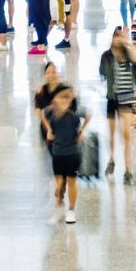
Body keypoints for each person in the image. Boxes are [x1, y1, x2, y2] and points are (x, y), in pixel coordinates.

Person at [100, 27, 136, 183]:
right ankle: (111, 159)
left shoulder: (129, 54)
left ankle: (128, 171)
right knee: (112, 133)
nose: (118, 39)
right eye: (116, 36)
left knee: (127, 135)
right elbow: (103, 72)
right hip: (112, 98)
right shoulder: (106, 56)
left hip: (127, 98)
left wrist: (128, 45)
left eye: (121, 36)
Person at [42, 84, 87, 224]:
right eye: (60, 98)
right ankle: (59, 207)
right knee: (59, 184)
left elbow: (89, 114)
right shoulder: (51, 112)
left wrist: (82, 131)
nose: (62, 101)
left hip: (73, 153)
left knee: (72, 181)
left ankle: (71, 210)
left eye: (66, 98)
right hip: (57, 153)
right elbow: (42, 115)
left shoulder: (75, 112)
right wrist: (49, 129)